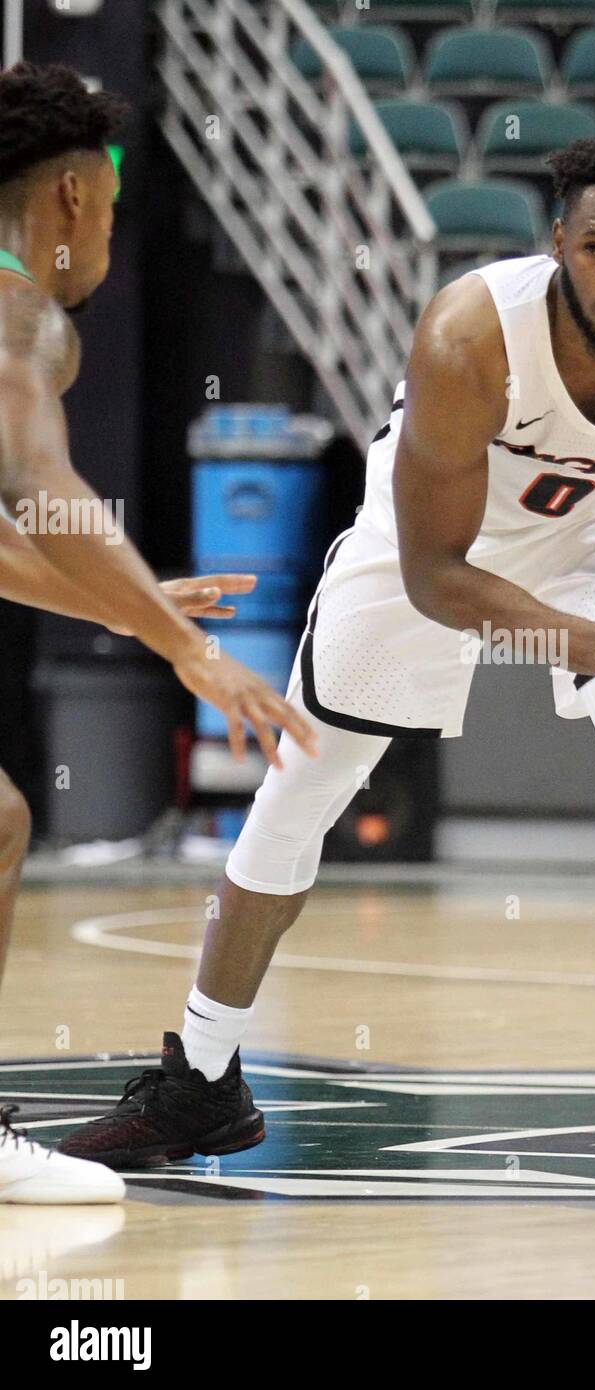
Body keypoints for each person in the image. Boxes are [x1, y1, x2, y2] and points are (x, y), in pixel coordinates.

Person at [61, 134, 595, 1198]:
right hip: (429, 545)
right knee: (301, 786)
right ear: (559, 243)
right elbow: (437, 575)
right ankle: (203, 1075)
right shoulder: (469, 333)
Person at [0, 63, 316, 1203]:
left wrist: (124, 602)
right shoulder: (25, 314)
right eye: (116, 209)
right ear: (78, 200)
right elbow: (40, 486)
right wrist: (185, 648)